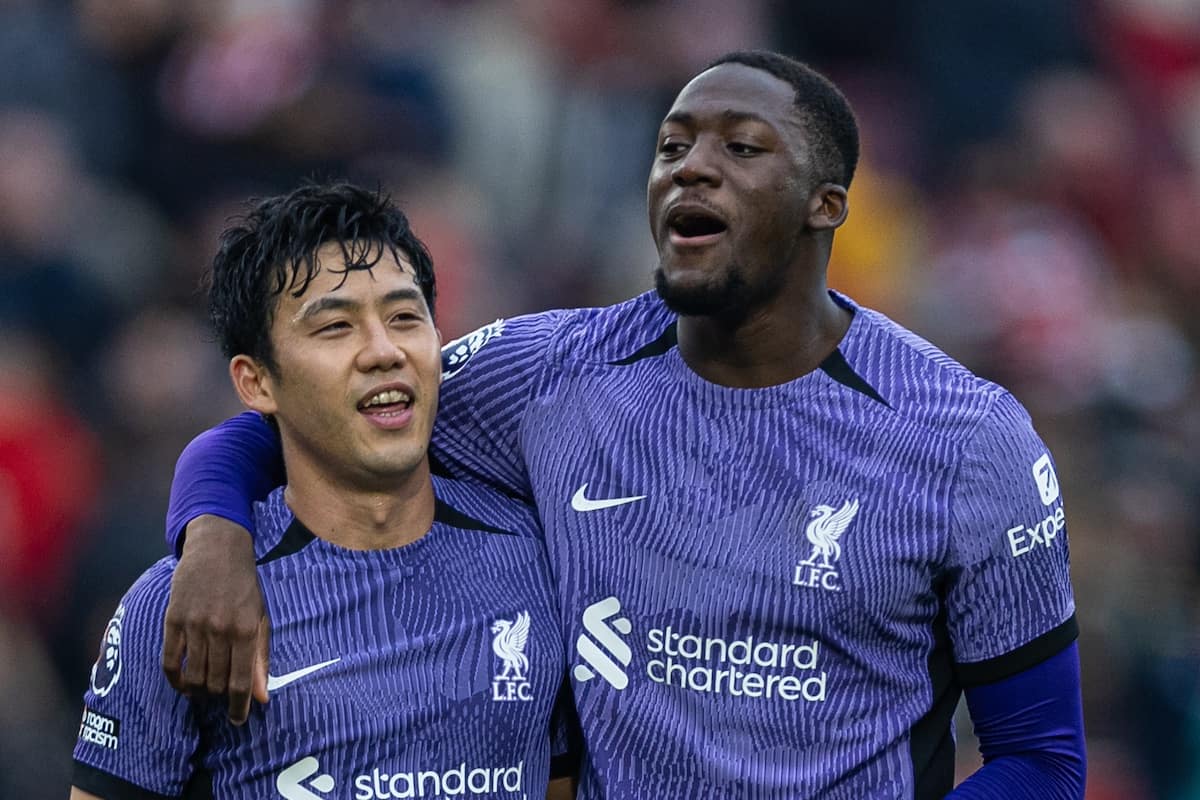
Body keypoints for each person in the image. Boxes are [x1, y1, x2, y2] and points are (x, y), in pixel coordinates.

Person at [162, 52, 1087, 798]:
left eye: (743, 148)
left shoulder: (965, 439)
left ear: (827, 204)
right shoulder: (551, 373)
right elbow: (316, 412)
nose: (693, 165)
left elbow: (1043, 762)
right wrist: (213, 534)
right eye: (673, 145)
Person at [71, 183, 575, 799]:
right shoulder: (184, 608)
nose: (384, 351)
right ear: (256, 384)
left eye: (405, 317)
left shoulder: (539, 563)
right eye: (335, 327)